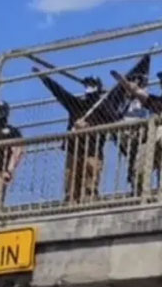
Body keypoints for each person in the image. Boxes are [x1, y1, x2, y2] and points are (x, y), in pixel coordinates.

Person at [112, 69, 162, 194]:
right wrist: (123, 82)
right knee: (139, 170)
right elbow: (137, 92)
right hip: (152, 141)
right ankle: (140, 195)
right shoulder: (156, 101)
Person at [33, 68, 107, 203]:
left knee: (89, 187)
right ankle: (70, 204)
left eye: (92, 85)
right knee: (71, 187)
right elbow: (60, 93)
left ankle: (89, 207)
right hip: (74, 151)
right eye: (87, 85)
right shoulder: (76, 104)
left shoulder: (104, 107)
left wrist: (89, 127)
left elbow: (110, 124)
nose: (88, 88)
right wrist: (44, 77)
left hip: (92, 152)